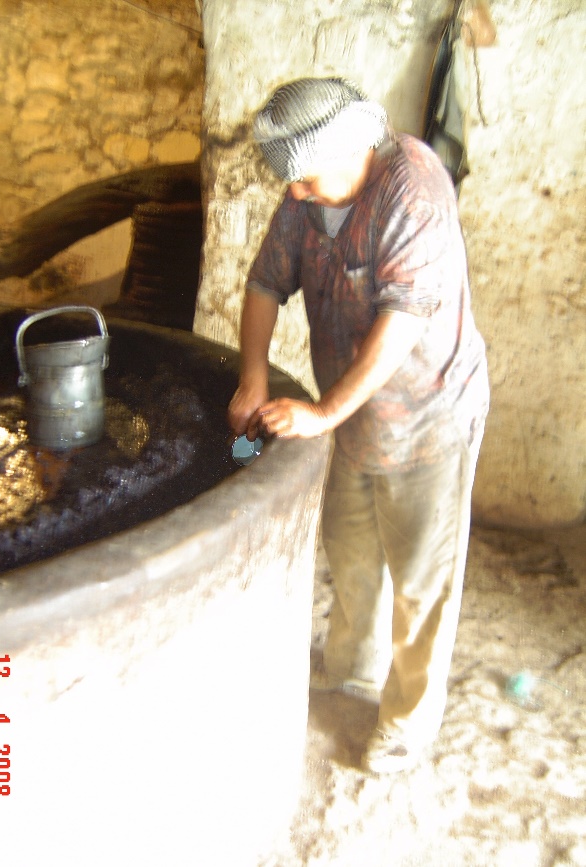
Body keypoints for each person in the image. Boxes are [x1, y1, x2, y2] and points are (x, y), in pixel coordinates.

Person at [228, 78, 489, 775]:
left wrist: (322, 411)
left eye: (306, 179)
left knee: (421, 580)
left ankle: (406, 724)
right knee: (349, 548)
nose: (295, 193)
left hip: (429, 414)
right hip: (350, 414)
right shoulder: (307, 199)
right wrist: (253, 372)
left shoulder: (414, 191)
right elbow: (263, 284)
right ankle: (353, 668)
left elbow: (402, 325)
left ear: (349, 152)